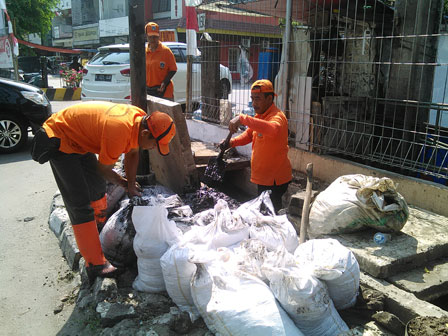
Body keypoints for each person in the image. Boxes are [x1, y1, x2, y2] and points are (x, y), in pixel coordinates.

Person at [30, 102, 176, 282]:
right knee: (79, 203)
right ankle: (95, 264)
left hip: (80, 139)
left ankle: (97, 226)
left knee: (97, 187)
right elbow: (105, 170)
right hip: (62, 137)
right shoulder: (119, 130)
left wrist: (131, 184)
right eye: (155, 144)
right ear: (146, 134)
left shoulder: (139, 119)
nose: (154, 148)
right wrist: (123, 183)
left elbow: (132, 154)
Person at [220, 79, 292, 213]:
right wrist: (231, 143)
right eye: (252, 99)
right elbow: (248, 135)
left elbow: (273, 129)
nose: (254, 103)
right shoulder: (260, 116)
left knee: (271, 214)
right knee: (264, 212)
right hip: (264, 178)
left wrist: (243, 119)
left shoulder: (277, 117)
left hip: (274, 180)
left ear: (269, 98)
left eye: (257, 99)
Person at [145, 22, 177, 100]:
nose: (153, 39)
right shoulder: (144, 52)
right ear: (146, 36)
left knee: (163, 112)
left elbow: (173, 69)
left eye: (155, 37)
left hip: (164, 91)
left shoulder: (166, 51)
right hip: (149, 91)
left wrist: (164, 83)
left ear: (158, 36)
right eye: (151, 36)